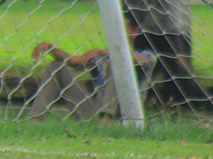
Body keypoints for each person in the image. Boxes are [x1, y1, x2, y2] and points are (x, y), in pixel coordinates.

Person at [23, 14, 156, 121]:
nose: (117, 31)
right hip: (93, 109)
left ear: (135, 31)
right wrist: (49, 47)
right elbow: (74, 61)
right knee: (56, 66)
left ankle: (107, 120)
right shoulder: (102, 55)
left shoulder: (147, 55)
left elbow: (138, 61)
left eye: (122, 28)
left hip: (123, 113)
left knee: (117, 64)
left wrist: (101, 52)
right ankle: (35, 119)